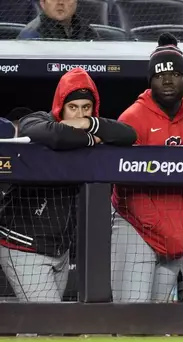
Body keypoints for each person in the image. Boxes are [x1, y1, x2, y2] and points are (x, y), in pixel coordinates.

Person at [0, 67, 136, 302]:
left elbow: (128, 135)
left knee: (42, 329)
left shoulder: (93, 124)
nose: (79, 114)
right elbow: (54, 135)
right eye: (72, 107)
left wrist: (88, 125)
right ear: (60, 105)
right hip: (22, 242)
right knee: (47, 324)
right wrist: (91, 136)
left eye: (86, 108)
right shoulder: (38, 119)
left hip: (59, 248)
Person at [111, 33, 183, 303]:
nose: (167, 80)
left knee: (157, 318)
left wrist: (182, 233)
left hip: (178, 233)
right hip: (135, 227)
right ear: (150, 80)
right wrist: (165, 231)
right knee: (132, 315)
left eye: (175, 74)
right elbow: (127, 189)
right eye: (159, 75)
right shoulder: (132, 118)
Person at [19, 0, 98, 40]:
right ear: (42, 3)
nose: (60, 2)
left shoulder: (87, 30)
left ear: (76, 2)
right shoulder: (32, 35)